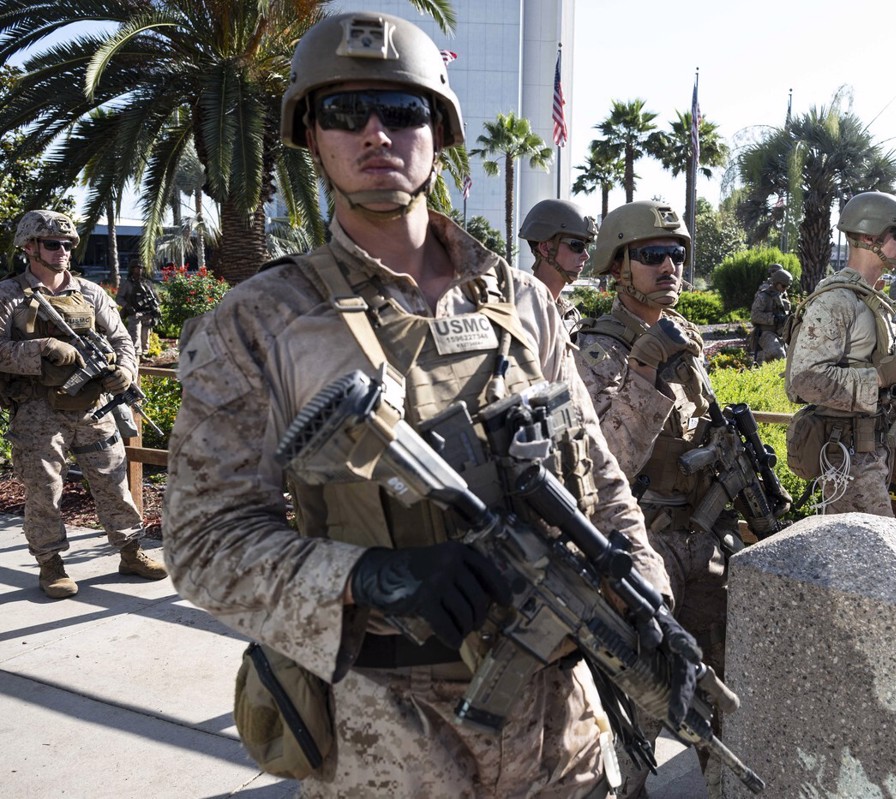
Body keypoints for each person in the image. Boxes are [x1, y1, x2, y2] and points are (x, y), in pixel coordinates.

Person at [162, 13, 680, 799]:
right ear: (311, 133)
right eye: (346, 112)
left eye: (402, 111)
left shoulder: (522, 303)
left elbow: (600, 480)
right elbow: (202, 542)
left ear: (438, 131)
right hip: (388, 745)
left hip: (557, 735)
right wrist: (367, 575)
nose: (377, 132)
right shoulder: (260, 322)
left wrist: (646, 588)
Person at [574, 200, 733, 799]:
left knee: (718, 689)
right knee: (637, 700)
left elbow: (701, 428)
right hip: (642, 544)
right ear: (619, 266)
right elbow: (601, 461)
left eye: (676, 254)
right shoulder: (595, 351)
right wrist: (643, 369)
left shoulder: (683, 335)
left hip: (703, 536)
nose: (669, 266)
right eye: (651, 255)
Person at [0, 210, 167, 599]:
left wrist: (124, 372)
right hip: (38, 410)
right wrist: (41, 348)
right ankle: (50, 563)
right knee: (44, 490)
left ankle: (130, 550)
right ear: (29, 247)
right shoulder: (8, 295)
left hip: (93, 405)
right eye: (53, 244)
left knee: (113, 482)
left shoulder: (90, 292)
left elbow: (123, 341)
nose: (63, 251)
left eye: (68, 245)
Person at [785, 191, 896, 516]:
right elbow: (805, 380)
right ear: (871, 237)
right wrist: (882, 377)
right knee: (863, 559)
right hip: (848, 460)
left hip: (876, 451)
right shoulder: (836, 302)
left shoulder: (871, 300)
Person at [519, 198, 598, 332]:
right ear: (545, 248)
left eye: (586, 247)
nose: (586, 255)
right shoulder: (518, 309)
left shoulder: (570, 315)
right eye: (577, 245)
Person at [114, 257, 161, 359]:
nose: (139, 270)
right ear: (132, 269)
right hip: (135, 314)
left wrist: (156, 308)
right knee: (135, 335)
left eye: (140, 268)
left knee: (145, 336)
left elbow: (155, 298)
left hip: (147, 314)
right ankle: (136, 357)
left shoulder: (147, 283)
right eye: (136, 268)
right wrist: (127, 306)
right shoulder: (127, 284)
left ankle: (143, 355)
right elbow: (119, 298)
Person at [749, 267, 792, 363]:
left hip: (781, 333)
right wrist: (774, 318)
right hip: (765, 333)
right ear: (776, 283)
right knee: (778, 353)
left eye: (787, 287)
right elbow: (754, 315)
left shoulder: (782, 296)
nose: (785, 289)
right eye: (784, 286)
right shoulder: (763, 296)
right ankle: (760, 358)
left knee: (790, 357)